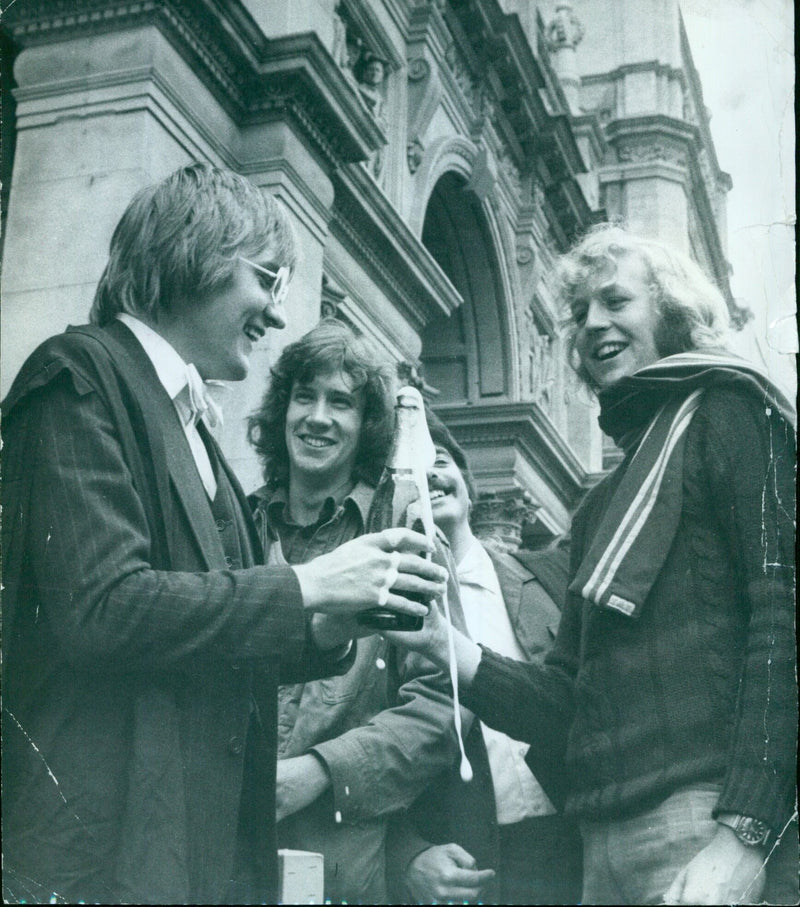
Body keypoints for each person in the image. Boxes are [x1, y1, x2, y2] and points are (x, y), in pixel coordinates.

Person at [0, 163, 447, 906]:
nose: (276, 312)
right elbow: (102, 608)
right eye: (265, 279)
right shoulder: (77, 374)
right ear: (195, 255)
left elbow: (212, 628)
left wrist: (331, 623)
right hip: (93, 857)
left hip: (185, 852)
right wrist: (309, 584)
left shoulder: (197, 430)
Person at [387, 224, 797, 906]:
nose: (592, 324)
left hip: (705, 825)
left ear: (671, 310)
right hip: (600, 845)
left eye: (616, 301)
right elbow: (568, 705)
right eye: (579, 314)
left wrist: (745, 834)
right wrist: (449, 648)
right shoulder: (603, 499)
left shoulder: (731, 413)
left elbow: (783, 623)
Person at [247, 320, 465, 904]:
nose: (317, 417)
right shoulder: (235, 526)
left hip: (343, 861)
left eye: (340, 402)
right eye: (304, 396)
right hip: (219, 844)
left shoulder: (403, 538)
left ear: (368, 425)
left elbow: (443, 709)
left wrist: (318, 772)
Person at [387, 413, 581, 905]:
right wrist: (404, 856)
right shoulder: (381, 610)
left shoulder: (556, 574)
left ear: (470, 489)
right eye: (407, 469)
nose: (427, 474)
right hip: (467, 865)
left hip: (577, 843)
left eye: (440, 461)